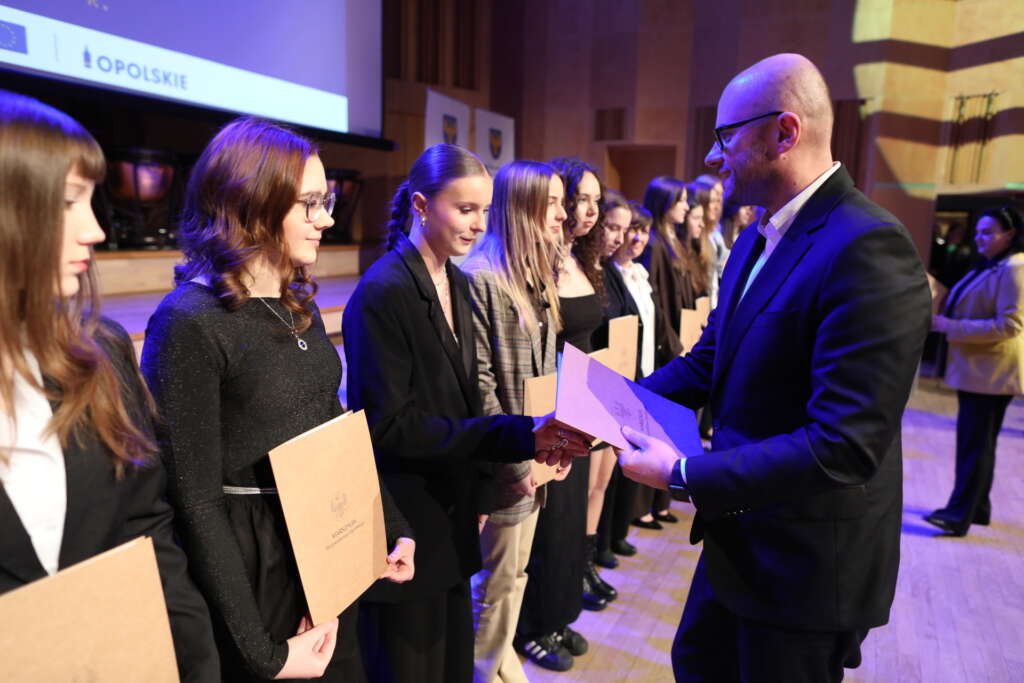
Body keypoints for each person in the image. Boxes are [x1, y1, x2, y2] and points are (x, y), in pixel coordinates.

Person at [616, 54, 931, 682]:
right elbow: (710, 361)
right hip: (741, 541)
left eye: (725, 136)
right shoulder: (757, 237)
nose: (713, 158)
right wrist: (607, 403)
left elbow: (843, 445)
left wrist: (681, 472)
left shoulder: (868, 246)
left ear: (785, 132)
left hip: (805, 567)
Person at [141, 117, 416, 682]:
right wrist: (262, 653)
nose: (328, 219)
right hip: (257, 568)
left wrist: (390, 524)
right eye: (310, 204)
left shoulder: (296, 301)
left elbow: (330, 421)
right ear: (253, 203)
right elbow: (194, 502)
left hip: (321, 540)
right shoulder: (189, 322)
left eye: (326, 201)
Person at [342, 144, 588, 683]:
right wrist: (516, 435)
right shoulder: (384, 291)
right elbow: (388, 427)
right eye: (465, 209)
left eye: (484, 210)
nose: (479, 224)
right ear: (421, 205)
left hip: (450, 508)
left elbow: (467, 398)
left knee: (454, 662)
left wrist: (485, 484)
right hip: (408, 517)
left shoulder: (454, 280)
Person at [0, 90, 220, 682]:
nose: (95, 230)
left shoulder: (101, 352)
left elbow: (146, 532)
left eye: (91, 201)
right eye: (67, 202)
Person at [461, 160, 566, 683]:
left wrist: (555, 445)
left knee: (516, 573)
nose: (563, 215)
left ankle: (501, 660)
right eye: (554, 204)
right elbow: (479, 387)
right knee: (494, 581)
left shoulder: (534, 275)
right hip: (505, 461)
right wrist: (517, 463)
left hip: (533, 452)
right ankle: (483, 670)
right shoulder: (480, 277)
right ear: (523, 207)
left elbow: (544, 373)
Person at [515, 156, 605, 672]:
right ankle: (534, 624)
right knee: (547, 521)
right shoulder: (537, 262)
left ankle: (560, 612)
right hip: (552, 403)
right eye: (579, 198)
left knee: (570, 517)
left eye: (595, 200)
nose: (586, 210)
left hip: (585, 400)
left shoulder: (581, 258)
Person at [925, 205, 1024, 536]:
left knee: (974, 446)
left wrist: (950, 326)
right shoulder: (993, 264)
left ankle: (958, 515)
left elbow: (1010, 325)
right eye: (978, 232)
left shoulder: (1014, 269)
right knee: (980, 443)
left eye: (988, 233)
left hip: (992, 372)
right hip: (981, 370)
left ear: (1009, 234)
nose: (980, 238)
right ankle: (978, 508)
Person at [641, 176, 691, 367]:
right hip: (665, 341)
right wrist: (672, 344)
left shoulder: (674, 239)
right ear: (665, 202)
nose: (686, 207)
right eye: (681, 200)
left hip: (679, 332)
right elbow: (653, 296)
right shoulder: (653, 243)